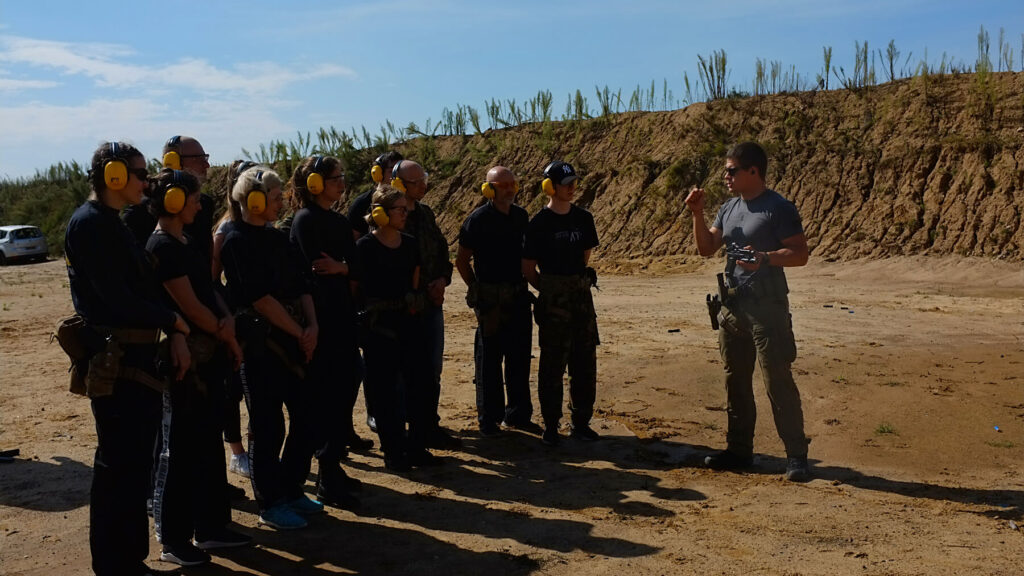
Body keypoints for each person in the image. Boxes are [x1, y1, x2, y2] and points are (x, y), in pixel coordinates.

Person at [65, 141, 190, 576]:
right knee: (118, 464)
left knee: (132, 463)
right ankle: (115, 563)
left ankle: (127, 559)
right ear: (114, 176)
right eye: (139, 174)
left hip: (132, 357)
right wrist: (172, 320)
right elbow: (116, 298)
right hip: (116, 360)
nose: (147, 180)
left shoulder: (110, 222)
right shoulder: (91, 225)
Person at [684, 141, 811, 482]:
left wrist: (766, 258)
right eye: (726, 170)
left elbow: (800, 254)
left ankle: (796, 456)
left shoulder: (778, 207)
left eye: (731, 170)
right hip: (734, 308)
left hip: (767, 308)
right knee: (735, 382)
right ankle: (739, 450)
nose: (725, 175)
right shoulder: (728, 208)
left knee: (777, 381)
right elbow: (706, 249)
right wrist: (697, 213)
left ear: (753, 172)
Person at [145, 169, 251, 566]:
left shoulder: (187, 241)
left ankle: (210, 528)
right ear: (172, 200)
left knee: (206, 446)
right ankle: (173, 538)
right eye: (191, 197)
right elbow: (188, 307)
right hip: (186, 359)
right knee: (180, 450)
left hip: (212, 355)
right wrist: (224, 332)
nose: (197, 203)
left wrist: (228, 327)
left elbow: (209, 291)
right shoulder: (162, 247)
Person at [219, 167, 322, 529]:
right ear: (255, 200)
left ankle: (291, 489)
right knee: (268, 427)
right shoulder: (235, 240)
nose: (282, 203)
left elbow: (302, 284)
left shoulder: (278, 238)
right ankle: (271, 502)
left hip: (295, 340)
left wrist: (312, 326)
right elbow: (261, 300)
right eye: (276, 197)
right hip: (262, 348)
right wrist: (300, 331)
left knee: (309, 418)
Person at [288, 155, 365, 509]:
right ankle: (326, 475)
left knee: (346, 389)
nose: (342, 182)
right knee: (327, 398)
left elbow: (355, 266)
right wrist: (342, 269)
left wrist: (343, 268)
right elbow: (313, 270)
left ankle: (332, 467)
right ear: (315, 183)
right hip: (323, 322)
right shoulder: (306, 221)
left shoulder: (335, 220)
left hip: (343, 319)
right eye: (336, 177)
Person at [355, 187, 441, 472]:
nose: (405, 214)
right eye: (400, 210)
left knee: (422, 386)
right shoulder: (365, 247)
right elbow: (356, 288)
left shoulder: (409, 243)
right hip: (380, 329)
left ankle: (416, 448)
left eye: (406, 209)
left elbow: (414, 282)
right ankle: (393, 452)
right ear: (380, 213)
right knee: (385, 393)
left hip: (408, 324)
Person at [522, 161, 601, 447]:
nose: (571, 188)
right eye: (565, 183)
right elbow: (529, 268)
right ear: (549, 187)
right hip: (554, 302)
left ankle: (581, 422)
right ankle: (551, 424)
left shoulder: (583, 218)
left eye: (573, 183)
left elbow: (585, 256)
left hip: (581, 299)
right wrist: (550, 289)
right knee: (552, 365)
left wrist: (571, 284)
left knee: (584, 362)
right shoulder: (539, 224)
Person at [455, 166, 536, 437]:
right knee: (489, 361)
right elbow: (462, 261)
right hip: (491, 301)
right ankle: (488, 418)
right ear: (488, 189)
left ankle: (518, 414)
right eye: (502, 185)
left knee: (519, 357)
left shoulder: (521, 216)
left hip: (518, 296)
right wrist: (477, 290)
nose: (510, 189)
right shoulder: (476, 220)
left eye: (512, 184)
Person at [391, 160, 460, 449]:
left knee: (431, 369)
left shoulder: (426, 213)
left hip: (432, 302)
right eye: (417, 181)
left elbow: (443, 253)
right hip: (405, 307)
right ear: (398, 185)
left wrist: (442, 281)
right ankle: (405, 429)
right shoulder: (389, 217)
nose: (424, 185)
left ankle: (428, 425)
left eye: (424, 178)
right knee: (404, 372)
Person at [347, 150, 403, 434]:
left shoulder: (402, 205)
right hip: (372, 301)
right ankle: (374, 413)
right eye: (390, 170)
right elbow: (353, 250)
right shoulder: (361, 205)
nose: (394, 176)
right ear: (377, 173)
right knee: (375, 364)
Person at [214, 160, 257, 481]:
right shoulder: (225, 229)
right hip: (237, 318)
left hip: (261, 321)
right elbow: (212, 281)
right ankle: (237, 453)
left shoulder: (265, 225)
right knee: (233, 391)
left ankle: (257, 450)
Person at [123, 135, 214, 256]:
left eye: (205, 158)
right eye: (199, 159)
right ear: (173, 162)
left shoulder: (205, 203)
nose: (206, 165)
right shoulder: (139, 212)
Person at [348, 151, 404, 240]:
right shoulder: (361, 204)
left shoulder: (405, 202)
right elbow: (353, 241)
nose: (397, 176)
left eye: (400, 171)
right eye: (392, 171)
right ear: (379, 174)